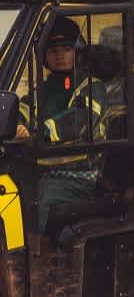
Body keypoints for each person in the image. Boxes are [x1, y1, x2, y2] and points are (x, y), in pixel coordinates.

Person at [17, 17, 108, 234]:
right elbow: (22, 109)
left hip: (80, 175)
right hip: (43, 170)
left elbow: (79, 120)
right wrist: (16, 123)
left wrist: (38, 132)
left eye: (66, 49)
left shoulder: (92, 87)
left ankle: (34, 259)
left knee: (38, 199)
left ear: (78, 51)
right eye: (53, 50)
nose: (59, 56)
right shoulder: (45, 88)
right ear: (43, 56)